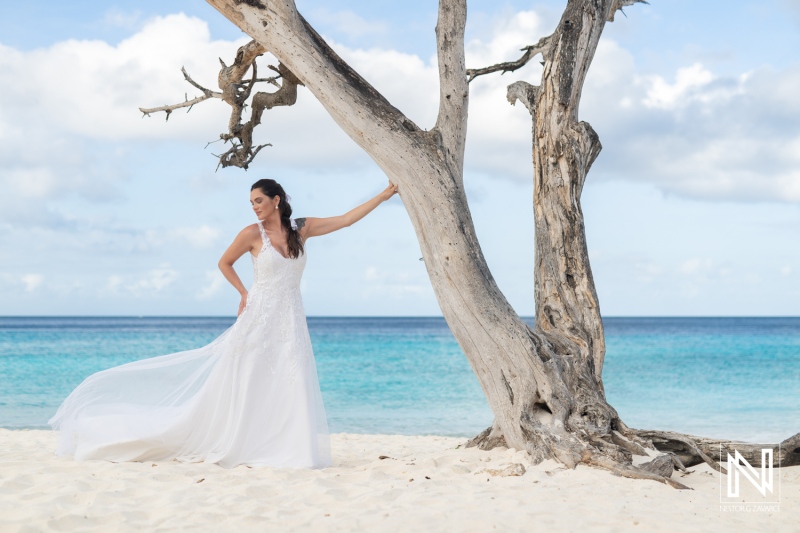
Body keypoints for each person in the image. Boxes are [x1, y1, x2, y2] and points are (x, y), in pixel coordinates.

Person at [48, 178, 399, 468]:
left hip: (291, 316)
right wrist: (244, 293)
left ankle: (292, 449)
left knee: (291, 378)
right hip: (259, 315)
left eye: (259, 200)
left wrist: (384, 195)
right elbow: (224, 263)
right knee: (248, 379)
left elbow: (347, 219)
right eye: (251, 202)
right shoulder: (251, 233)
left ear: (277, 200)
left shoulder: (300, 230)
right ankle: (243, 441)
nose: (255, 206)